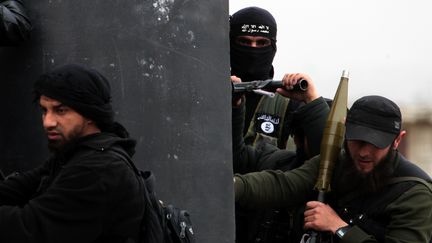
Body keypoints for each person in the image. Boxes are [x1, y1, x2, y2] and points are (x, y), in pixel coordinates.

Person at [234, 95, 432, 242]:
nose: (363, 152)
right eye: (357, 140)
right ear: (345, 129)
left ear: (398, 140)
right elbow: (283, 185)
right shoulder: (335, 161)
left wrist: (338, 227)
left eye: (376, 144)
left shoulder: (415, 194)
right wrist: (231, 186)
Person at [0, 64, 144, 242]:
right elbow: (19, 187)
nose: (48, 122)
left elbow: (29, 228)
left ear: (90, 114)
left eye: (60, 110)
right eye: (44, 110)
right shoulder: (76, 152)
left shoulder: (98, 169)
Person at [232, 73, 330, 243]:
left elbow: (328, 158)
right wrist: (235, 106)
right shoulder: (275, 161)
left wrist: (311, 97)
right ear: (297, 138)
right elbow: (234, 157)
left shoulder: (340, 187)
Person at [230, 6, 299, 149]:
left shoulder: (287, 102)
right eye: (244, 42)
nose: (253, 49)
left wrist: (312, 99)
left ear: (273, 46)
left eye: (261, 43)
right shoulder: (206, 94)